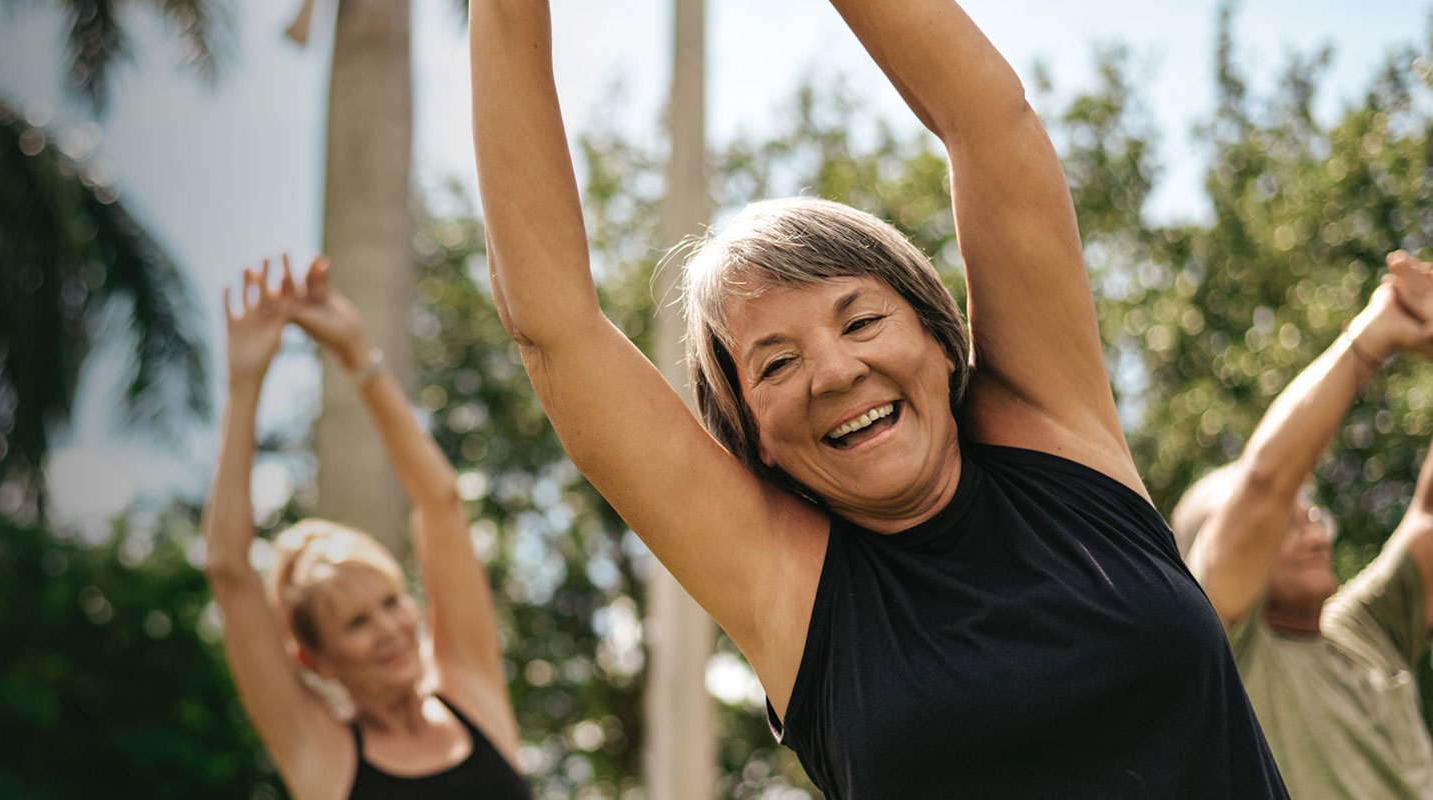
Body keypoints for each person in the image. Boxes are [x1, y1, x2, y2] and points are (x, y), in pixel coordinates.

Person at [469, 0, 1285, 796]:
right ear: (752, 437)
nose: (833, 372)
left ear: (937, 333)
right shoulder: (786, 587)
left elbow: (987, 119)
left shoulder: (1049, 429)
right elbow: (554, 330)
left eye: (860, 320)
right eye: (777, 365)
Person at [201, 255, 529, 800]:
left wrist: (356, 352)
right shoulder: (321, 753)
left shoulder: (471, 698)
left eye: (391, 602)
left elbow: (441, 503)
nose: (391, 629)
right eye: (356, 623)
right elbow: (228, 571)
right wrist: (244, 383)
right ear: (315, 660)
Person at [1172, 251, 1433, 799]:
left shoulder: (1368, 631)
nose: (1315, 535)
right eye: (1281, 527)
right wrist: (1372, 336)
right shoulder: (1224, 664)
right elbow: (1266, 482)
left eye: (1312, 517)